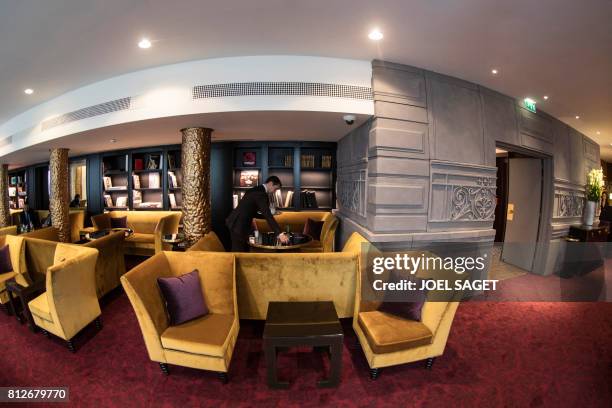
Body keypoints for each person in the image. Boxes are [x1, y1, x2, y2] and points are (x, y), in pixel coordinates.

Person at [226, 176, 289, 251]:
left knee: (244, 250)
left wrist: (268, 215)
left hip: (236, 222)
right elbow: (267, 214)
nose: (274, 192)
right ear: (271, 183)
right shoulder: (261, 194)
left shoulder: (256, 189)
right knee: (238, 251)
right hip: (238, 225)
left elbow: (251, 211)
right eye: (275, 189)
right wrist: (280, 234)